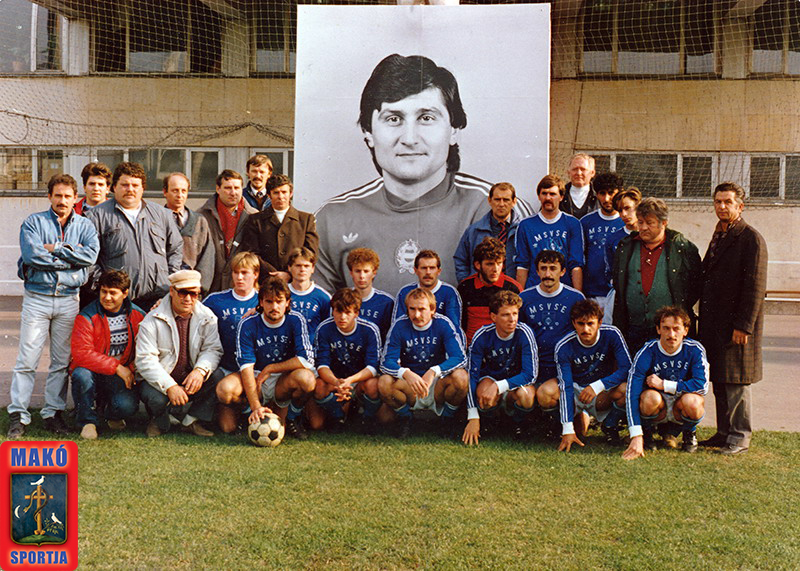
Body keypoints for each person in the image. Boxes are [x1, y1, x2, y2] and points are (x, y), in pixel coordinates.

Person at [315, 53, 532, 294]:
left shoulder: (490, 206)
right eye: (393, 118)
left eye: (426, 118)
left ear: (454, 129)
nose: (409, 139)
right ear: (368, 132)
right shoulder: (331, 219)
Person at [6, 174, 100, 439]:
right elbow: (32, 256)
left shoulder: (85, 225)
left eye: (68, 196)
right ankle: (19, 414)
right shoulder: (33, 222)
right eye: (58, 195)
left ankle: (52, 413)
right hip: (37, 297)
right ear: (49, 196)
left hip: (69, 299)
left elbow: (90, 256)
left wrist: (55, 249)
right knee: (27, 359)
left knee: (60, 361)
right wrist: (71, 258)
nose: (63, 200)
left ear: (75, 198)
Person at [698, 182, 768, 455]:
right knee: (720, 379)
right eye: (718, 201)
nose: (722, 206)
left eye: (727, 202)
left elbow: (755, 288)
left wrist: (744, 326)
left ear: (741, 206)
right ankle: (724, 433)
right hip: (715, 324)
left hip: (737, 327)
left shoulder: (751, 239)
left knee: (737, 382)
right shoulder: (720, 234)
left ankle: (739, 437)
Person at [136, 270, 223, 438]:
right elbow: (145, 361)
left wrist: (200, 371)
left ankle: (191, 420)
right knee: (156, 399)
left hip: (189, 377)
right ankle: (159, 420)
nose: (188, 298)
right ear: (172, 291)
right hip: (161, 380)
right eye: (183, 292)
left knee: (217, 376)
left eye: (194, 294)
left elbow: (212, 349)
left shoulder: (208, 316)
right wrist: (170, 386)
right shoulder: (151, 320)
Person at [86, 162, 183, 310]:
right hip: (117, 303)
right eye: (125, 185)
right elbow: (87, 259)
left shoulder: (162, 215)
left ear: (142, 188)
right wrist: (106, 286)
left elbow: (175, 249)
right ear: (114, 187)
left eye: (135, 185)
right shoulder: (96, 216)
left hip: (158, 301)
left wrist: (170, 282)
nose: (130, 189)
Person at [612, 197, 702, 354]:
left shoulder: (682, 248)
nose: (643, 227)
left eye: (650, 223)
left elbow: (696, 285)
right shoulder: (626, 246)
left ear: (664, 223)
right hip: (633, 329)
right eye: (640, 222)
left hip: (669, 332)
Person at [233, 277, 316, 440]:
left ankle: (292, 418)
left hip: (283, 379)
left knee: (307, 379)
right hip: (256, 377)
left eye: (279, 301)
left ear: (287, 302)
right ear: (261, 302)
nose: (274, 307)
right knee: (226, 389)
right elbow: (246, 367)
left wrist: (271, 368)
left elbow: (306, 360)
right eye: (269, 302)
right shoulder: (248, 323)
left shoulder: (296, 320)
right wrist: (255, 406)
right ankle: (248, 415)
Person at [379, 288, 468, 439]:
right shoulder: (400, 325)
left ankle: (447, 419)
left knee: (461, 377)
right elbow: (386, 362)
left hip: (436, 384)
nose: (417, 315)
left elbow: (460, 358)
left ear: (432, 309)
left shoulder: (443, 323)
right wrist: (406, 373)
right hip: (411, 386)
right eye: (412, 309)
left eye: (422, 309)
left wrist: (434, 371)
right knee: (384, 382)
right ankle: (406, 418)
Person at [622, 306, 709, 460]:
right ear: (658, 329)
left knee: (694, 401)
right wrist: (636, 434)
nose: (671, 334)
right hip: (658, 406)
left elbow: (701, 386)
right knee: (649, 398)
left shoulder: (694, 349)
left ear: (685, 330)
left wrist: (664, 385)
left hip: (680, 406)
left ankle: (689, 434)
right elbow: (631, 392)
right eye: (666, 328)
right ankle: (646, 434)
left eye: (676, 329)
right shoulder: (648, 350)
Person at [547, 299, 631, 452]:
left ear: (599, 322)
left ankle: (610, 424)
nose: (585, 329)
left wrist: (598, 386)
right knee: (546, 392)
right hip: (576, 392)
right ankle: (564, 426)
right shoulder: (564, 345)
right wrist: (568, 428)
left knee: (626, 389)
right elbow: (566, 386)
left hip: (600, 393)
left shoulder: (612, 334)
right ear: (574, 323)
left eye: (590, 323)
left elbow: (627, 369)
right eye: (580, 323)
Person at [70, 269, 145, 439]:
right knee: (80, 375)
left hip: (120, 374)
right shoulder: (86, 316)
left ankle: (112, 415)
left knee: (127, 406)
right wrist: (117, 367)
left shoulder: (138, 315)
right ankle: (87, 421)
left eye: (113, 293)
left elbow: (144, 350)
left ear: (125, 293)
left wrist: (130, 368)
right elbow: (82, 353)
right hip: (93, 371)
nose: (107, 297)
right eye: (104, 292)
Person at [518, 250, 585, 434]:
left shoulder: (575, 298)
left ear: (562, 271)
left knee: (548, 395)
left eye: (553, 268)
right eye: (543, 268)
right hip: (535, 367)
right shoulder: (525, 298)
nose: (548, 274)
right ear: (537, 271)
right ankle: (529, 422)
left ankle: (559, 422)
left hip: (563, 368)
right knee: (525, 396)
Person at [462, 291, 538, 445]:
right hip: (491, 378)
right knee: (483, 392)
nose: (512, 319)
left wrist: (499, 386)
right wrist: (473, 415)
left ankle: (518, 424)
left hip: (515, 381)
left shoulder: (524, 332)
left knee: (527, 396)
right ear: (493, 317)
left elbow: (530, 374)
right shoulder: (482, 335)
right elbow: (472, 375)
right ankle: (491, 423)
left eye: (515, 314)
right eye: (505, 315)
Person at [310, 288, 382, 433]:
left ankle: (366, 418)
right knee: (318, 388)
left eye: (348, 312)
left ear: (356, 313)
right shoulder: (324, 328)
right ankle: (338, 416)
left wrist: (350, 380)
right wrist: (337, 382)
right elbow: (322, 364)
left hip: (359, 379)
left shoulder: (369, 329)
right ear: (333, 311)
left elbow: (373, 366)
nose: (342, 317)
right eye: (338, 311)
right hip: (335, 381)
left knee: (373, 385)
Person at [203, 252, 260, 433]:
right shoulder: (216, 300)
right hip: (228, 368)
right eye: (236, 272)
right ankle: (244, 408)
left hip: (256, 370)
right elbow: (190, 310)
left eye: (244, 272)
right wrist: (162, 302)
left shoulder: (264, 300)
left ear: (255, 274)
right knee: (228, 428)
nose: (239, 277)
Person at [240, 174, 319, 284]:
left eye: (284, 192)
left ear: (291, 193)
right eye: (276, 193)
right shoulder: (256, 220)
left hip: (296, 281)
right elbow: (252, 252)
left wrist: (289, 274)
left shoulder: (306, 220)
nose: (281, 196)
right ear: (269, 195)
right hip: (265, 280)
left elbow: (311, 253)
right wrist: (273, 274)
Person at [515, 174, 584, 290]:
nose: (548, 198)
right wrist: (520, 296)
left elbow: (576, 265)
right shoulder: (525, 225)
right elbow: (522, 265)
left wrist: (578, 295)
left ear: (561, 197)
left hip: (564, 290)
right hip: (535, 289)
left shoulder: (572, 224)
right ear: (539, 196)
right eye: (544, 193)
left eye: (552, 194)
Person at [197, 169, 258, 293]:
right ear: (218, 189)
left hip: (241, 288)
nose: (233, 192)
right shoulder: (201, 216)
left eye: (237, 188)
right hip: (209, 287)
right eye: (228, 188)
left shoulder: (254, 217)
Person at [453, 182, 522, 283]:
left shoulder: (522, 230)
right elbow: (460, 260)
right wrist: (467, 285)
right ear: (489, 200)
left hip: (512, 288)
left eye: (506, 200)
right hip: (480, 289)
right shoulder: (474, 231)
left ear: (514, 202)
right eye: (497, 199)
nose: (501, 204)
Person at [457, 237, 521, 344]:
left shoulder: (513, 288)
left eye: (499, 263)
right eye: (490, 264)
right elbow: (459, 325)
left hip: (503, 348)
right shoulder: (465, 287)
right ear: (478, 265)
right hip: (473, 347)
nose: (495, 269)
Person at [580, 172, 625, 323]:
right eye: (602, 193)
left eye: (611, 193)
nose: (606, 199)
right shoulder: (586, 222)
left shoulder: (626, 223)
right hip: (592, 292)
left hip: (618, 293)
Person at [162, 172, 214, 292]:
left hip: (193, 288)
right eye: (175, 190)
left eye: (183, 191)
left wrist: (200, 287)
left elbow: (207, 257)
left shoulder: (199, 221)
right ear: (165, 192)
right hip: (165, 286)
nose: (179, 195)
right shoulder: (156, 220)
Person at [393, 249, 462, 331]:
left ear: (439, 271)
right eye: (423, 268)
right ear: (416, 270)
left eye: (432, 268)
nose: (428, 272)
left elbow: (454, 328)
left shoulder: (449, 292)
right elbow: (398, 326)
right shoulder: (405, 292)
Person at [347, 247, 395, 341]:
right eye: (357, 271)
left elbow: (391, 337)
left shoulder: (387, 302)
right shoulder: (341, 299)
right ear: (351, 273)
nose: (362, 276)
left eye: (366, 271)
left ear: (374, 273)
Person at [287, 247, 331, 345]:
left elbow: (328, 328)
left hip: (313, 350)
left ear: (312, 269)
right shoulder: (281, 293)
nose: (302, 269)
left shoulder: (323, 297)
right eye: (298, 265)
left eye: (306, 266)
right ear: (289, 267)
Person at [560, 153, 597, 219]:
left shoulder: (599, 196)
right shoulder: (559, 195)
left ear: (592, 173)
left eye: (583, 169)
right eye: (574, 169)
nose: (579, 173)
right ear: (568, 172)